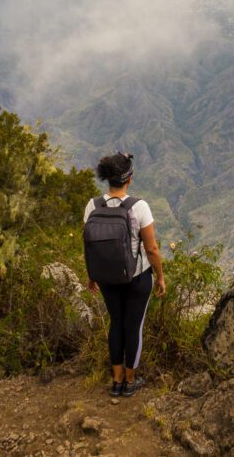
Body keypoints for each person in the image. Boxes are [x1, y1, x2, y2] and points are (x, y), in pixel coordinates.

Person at [84, 152, 166, 397]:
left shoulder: (93, 205)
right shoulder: (139, 207)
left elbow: (90, 245)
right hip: (137, 278)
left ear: (107, 179)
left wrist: (92, 275)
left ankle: (116, 380)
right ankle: (130, 382)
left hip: (107, 278)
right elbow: (151, 249)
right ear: (129, 178)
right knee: (134, 327)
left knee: (116, 324)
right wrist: (160, 276)